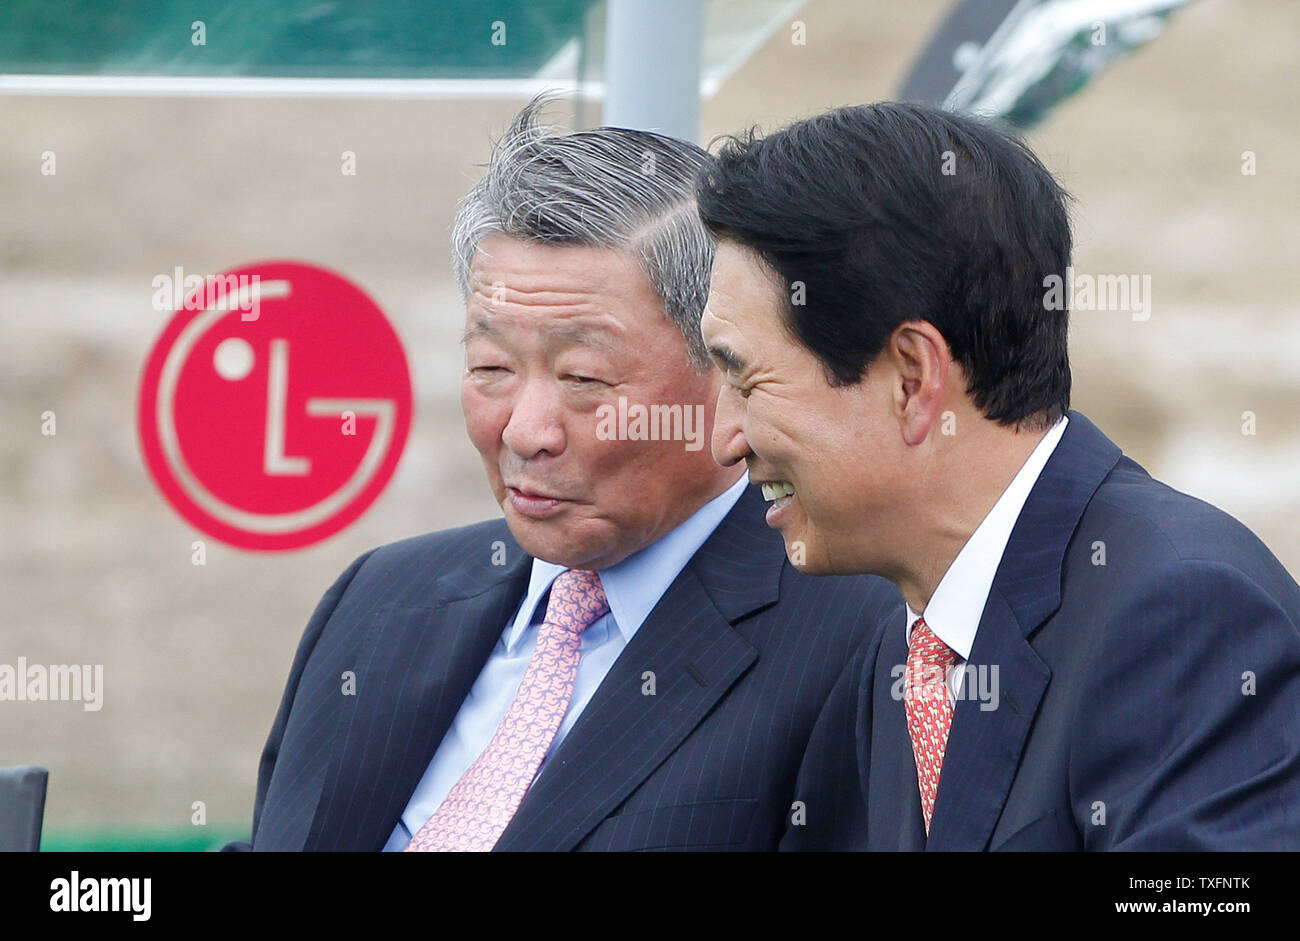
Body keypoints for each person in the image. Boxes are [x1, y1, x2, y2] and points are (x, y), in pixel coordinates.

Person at [225, 96, 900, 852]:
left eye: (584, 378)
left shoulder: (862, 635)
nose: (525, 430)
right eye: (491, 368)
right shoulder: (381, 599)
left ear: (725, 373)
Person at [694, 101, 1300, 850]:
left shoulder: (1184, 613)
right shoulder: (905, 647)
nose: (723, 439)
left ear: (913, 378)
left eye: (747, 380)